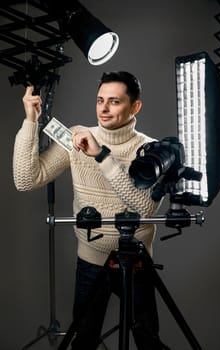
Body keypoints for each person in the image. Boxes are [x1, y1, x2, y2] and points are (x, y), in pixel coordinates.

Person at [13, 71, 168, 350]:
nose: (104, 109)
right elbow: (26, 180)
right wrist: (30, 121)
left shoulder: (149, 149)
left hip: (135, 262)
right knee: (84, 339)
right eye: (100, 100)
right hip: (90, 260)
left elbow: (144, 206)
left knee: (147, 340)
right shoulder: (77, 136)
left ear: (135, 107)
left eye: (114, 101)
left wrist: (101, 155)